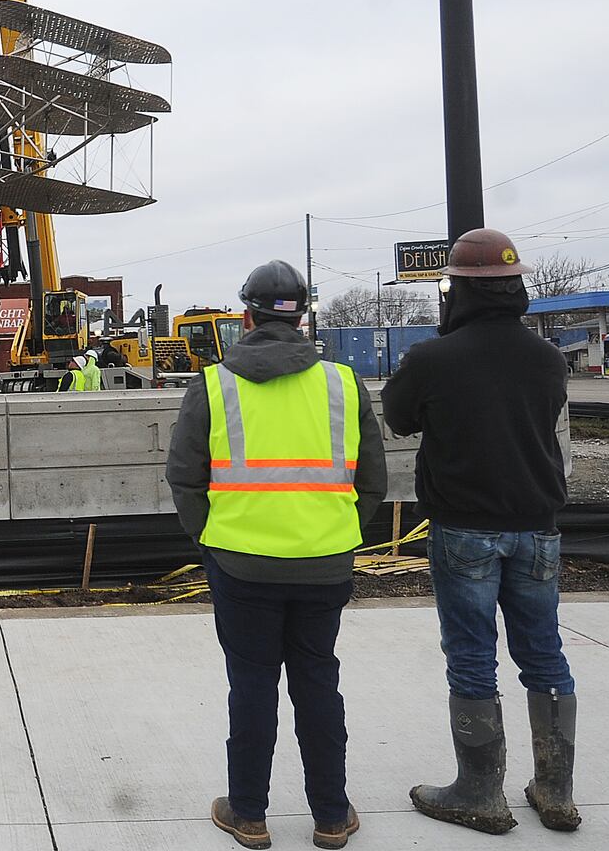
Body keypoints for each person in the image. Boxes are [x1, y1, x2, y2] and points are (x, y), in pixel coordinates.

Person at [167, 260, 387, 850]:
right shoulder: (343, 383)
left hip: (239, 564)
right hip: (325, 563)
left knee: (253, 684)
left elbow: (184, 480)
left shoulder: (212, 385)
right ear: (304, 316)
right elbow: (372, 483)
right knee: (318, 679)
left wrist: (214, 538)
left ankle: (248, 814)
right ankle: (332, 816)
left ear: (246, 317)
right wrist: (335, 531)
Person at [382, 228, 578, 835]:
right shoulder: (546, 357)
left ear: (457, 290)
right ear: (516, 288)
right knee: (544, 652)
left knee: (472, 657)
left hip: (466, 527)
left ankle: (478, 792)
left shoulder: (434, 358)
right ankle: (555, 792)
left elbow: (397, 414)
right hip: (537, 528)